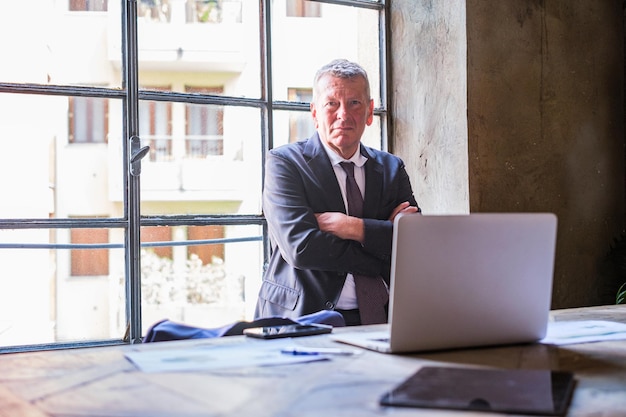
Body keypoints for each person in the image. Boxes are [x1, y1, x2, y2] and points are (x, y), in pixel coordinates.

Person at [254, 59, 420, 326]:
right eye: (332, 103)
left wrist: (352, 227)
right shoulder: (285, 163)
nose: (344, 114)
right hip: (303, 318)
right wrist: (381, 237)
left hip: (381, 318)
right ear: (315, 113)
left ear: (369, 111)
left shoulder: (391, 168)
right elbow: (302, 247)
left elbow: (414, 243)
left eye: (354, 103)